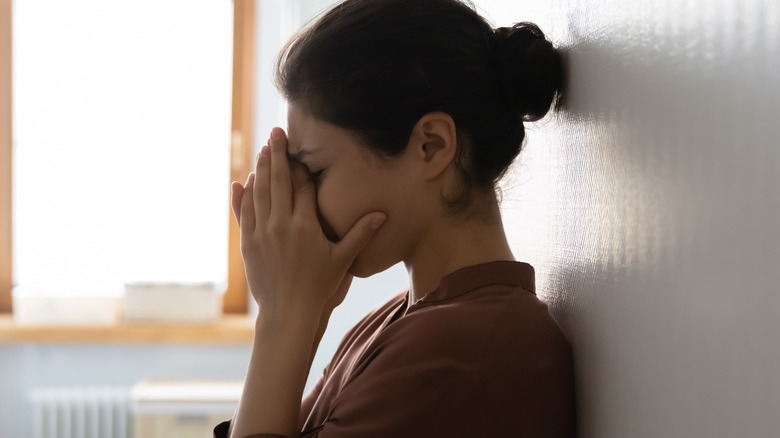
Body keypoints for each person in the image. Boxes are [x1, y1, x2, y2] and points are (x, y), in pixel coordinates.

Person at [215, 0, 575, 436]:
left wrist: (282, 317)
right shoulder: (405, 319)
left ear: (432, 146)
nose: (301, 203)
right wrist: (302, 316)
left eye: (315, 171)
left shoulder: (460, 349)